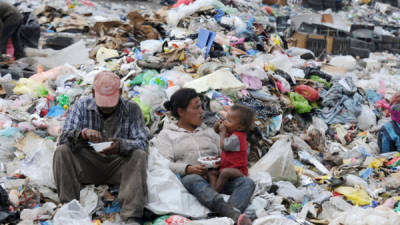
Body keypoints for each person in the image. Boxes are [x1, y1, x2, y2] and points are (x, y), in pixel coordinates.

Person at [53, 71, 149, 225]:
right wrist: (82, 134)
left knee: (139, 155)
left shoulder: (132, 109)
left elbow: (143, 143)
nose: (107, 109)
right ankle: (69, 208)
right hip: (89, 164)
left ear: (120, 92)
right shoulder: (81, 106)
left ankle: (131, 216)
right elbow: (63, 138)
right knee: (62, 151)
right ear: (93, 93)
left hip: (117, 166)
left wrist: (121, 146)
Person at [154, 88, 254, 225]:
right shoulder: (167, 135)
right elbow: (165, 163)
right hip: (194, 179)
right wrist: (188, 168)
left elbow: (225, 152)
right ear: (181, 112)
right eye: (196, 108)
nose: (202, 111)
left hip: (217, 178)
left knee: (247, 183)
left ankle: (227, 215)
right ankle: (233, 215)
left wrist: (220, 161)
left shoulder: (208, 131)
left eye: (201, 106)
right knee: (192, 179)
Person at [208, 104, 254, 193]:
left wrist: (222, 132)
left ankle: (216, 192)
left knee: (225, 173)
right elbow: (217, 131)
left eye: (229, 121)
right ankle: (213, 189)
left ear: (240, 127)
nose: (225, 122)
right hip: (226, 166)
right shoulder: (232, 131)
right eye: (225, 119)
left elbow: (223, 145)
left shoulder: (238, 136)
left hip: (238, 171)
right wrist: (217, 126)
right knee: (211, 172)